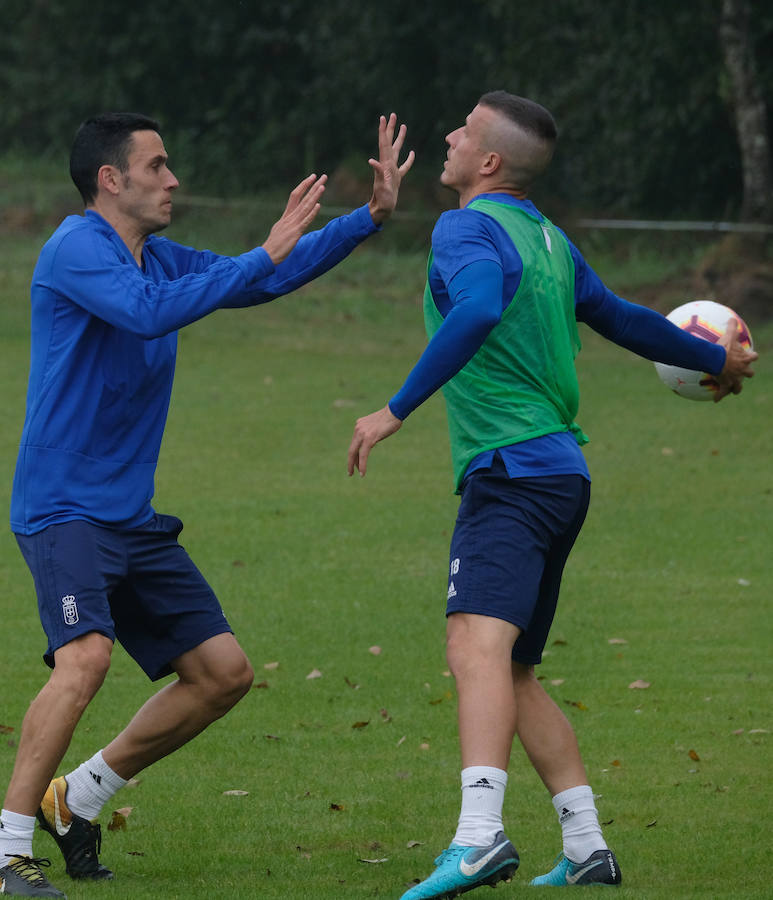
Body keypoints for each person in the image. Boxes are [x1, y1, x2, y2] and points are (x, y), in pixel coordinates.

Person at [347, 91, 757, 898]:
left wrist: (393, 410)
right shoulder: (545, 238)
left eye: (463, 130)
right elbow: (621, 318)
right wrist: (712, 360)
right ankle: (586, 845)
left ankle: (477, 839)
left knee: (473, 647)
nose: (452, 137)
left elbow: (472, 312)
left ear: (489, 161)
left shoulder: (465, 228)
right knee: (516, 670)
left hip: (510, 475)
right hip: (561, 476)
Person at [0, 110, 414, 899]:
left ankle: (77, 798)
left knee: (222, 675)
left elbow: (261, 277)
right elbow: (152, 311)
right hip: (64, 509)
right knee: (84, 657)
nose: (173, 179)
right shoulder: (75, 250)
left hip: (129, 514)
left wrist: (368, 218)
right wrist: (263, 249)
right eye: (157, 165)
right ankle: (6, 847)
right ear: (111, 179)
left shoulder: (153, 256)